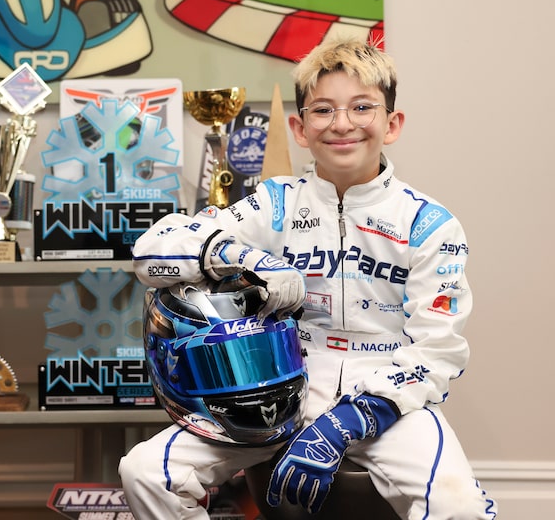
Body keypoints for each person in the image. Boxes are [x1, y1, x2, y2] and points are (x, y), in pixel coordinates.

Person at [121, 37, 497, 519]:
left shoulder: (428, 222)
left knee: (461, 506)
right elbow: (153, 250)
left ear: (392, 123)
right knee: (146, 472)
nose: (342, 124)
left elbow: (438, 350)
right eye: (323, 111)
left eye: (362, 107)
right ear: (300, 128)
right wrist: (240, 256)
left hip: (389, 391)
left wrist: (351, 418)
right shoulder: (274, 203)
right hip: (285, 383)